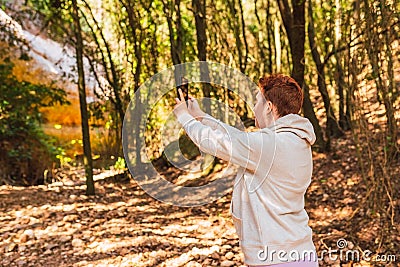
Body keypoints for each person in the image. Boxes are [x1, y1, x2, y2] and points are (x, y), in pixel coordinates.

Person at [173, 74, 319, 266]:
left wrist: (184, 116)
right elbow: (238, 139)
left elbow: (214, 142)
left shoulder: (270, 145)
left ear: (269, 107)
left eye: (257, 101)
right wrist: (200, 116)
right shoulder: (293, 140)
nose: (254, 107)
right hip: (298, 253)